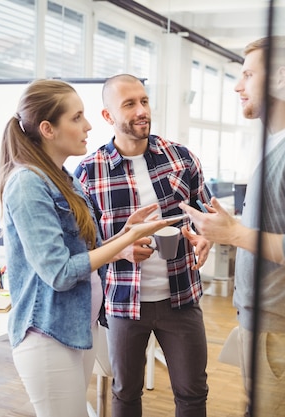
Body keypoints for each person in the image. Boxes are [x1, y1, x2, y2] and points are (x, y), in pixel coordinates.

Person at [180, 36, 285, 417]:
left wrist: (235, 235)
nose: (238, 86)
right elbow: (283, 225)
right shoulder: (284, 143)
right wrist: (225, 229)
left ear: (280, 78)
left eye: (247, 74)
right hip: (269, 325)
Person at [0, 79, 176, 417]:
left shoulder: (65, 179)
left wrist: (121, 239)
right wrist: (125, 240)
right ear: (48, 129)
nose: (89, 125)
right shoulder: (27, 184)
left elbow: (82, 254)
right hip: (47, 333)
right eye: (77, 117)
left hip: (80, 325)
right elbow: (60, 273)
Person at [74, 74, 211, 417]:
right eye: (129, 104)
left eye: (144, 101)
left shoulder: (181, 157)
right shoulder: (89, 172)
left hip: (181, 298)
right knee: (125, 394)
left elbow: (207, 213)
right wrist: (119, 247)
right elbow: (80, 244)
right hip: (122, 303)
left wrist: (207, 234)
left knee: (193, 393)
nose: (141, 111)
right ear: (108, 117)